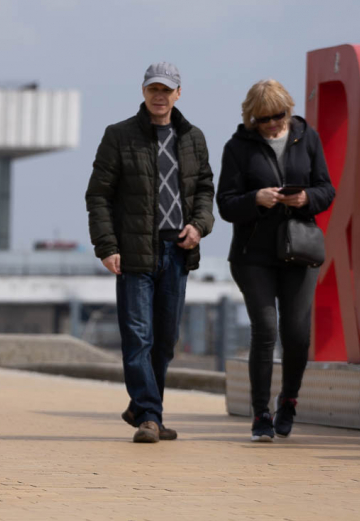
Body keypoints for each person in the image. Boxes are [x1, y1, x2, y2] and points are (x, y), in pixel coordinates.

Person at [85, 62, 215, 443]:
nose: (159, 96)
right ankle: (149, 416)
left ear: (178, 93)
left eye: (166, 90)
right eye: (153, 89)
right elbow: (99, 196)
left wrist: (200, 225)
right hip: (134, 251)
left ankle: (144, 407)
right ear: (143, 91)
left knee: (165, 339)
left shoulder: (193, 138)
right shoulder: (119, 136)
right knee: (137, 336)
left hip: (177, 250)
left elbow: (205, 190)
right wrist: (107, 246)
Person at [216, 79, 335, 442]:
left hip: (299, 251)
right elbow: (225, 204)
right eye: (263, 118)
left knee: (297, 335)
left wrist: (305, 200)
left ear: (289, 109)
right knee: (265, 332)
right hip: (254, 256)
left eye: (278, 116)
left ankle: (289, 399)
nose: (272, 124)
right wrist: (257, 199)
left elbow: (326, 189)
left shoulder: (307, 138)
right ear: (251, 117)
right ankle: (260, 414)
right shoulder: (237, 147)